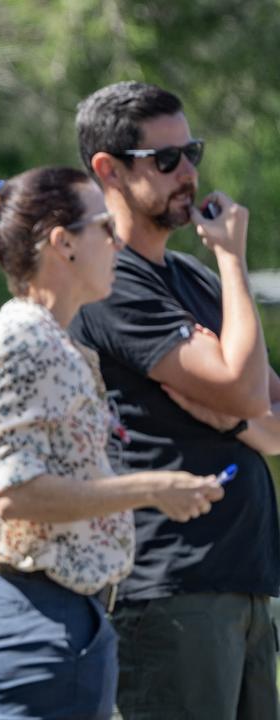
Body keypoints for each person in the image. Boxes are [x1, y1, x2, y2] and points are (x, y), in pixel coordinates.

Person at [0, 166, 225, 719]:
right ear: (63, 243)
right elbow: (11, 491)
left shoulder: (37, 335)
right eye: (105, 227)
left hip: (55, 615)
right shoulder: (24, 338)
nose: (118, 240)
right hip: (40, 616)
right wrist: (151, 487)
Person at [70, 81, 280, 719]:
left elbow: (273, 422)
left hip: (243, 580)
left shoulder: (189, 275)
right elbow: (251, 393)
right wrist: (234, 262)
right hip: (169, 588)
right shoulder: (108, 281)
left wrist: (233, 406)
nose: (188, 172)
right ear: (108, 168)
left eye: (191, 152)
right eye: (165, 160)